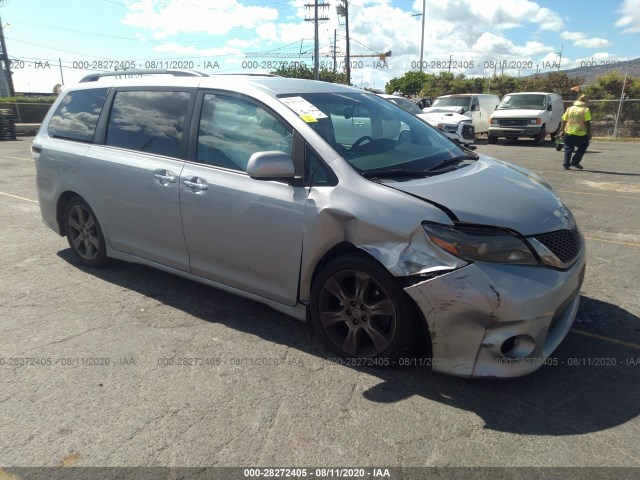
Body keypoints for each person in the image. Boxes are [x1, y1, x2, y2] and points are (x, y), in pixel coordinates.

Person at [560, 95, 592, 170]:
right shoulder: (585, 110)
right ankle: (575, 162)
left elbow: (564, 120)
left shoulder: (569, 109)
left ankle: (566, 165)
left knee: (568, 149)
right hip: (580, 133)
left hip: (568, 131)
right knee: (583, 147)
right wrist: (589, 132)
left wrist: (562, 130)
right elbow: (587, 122)